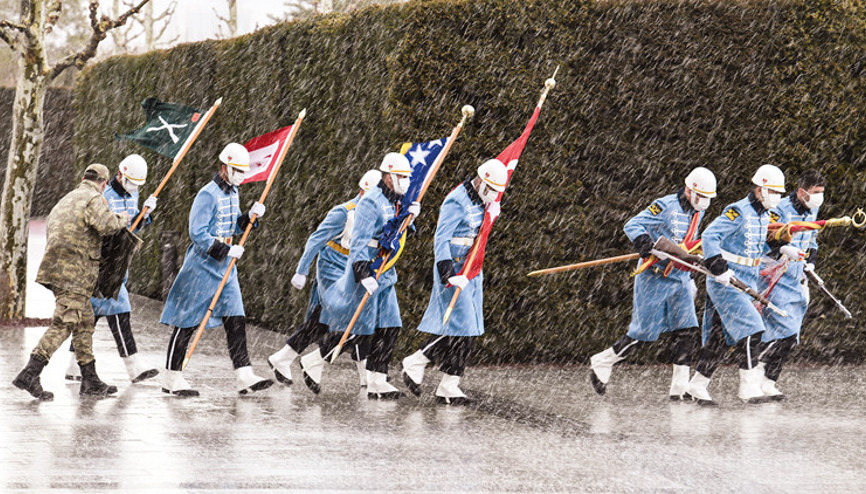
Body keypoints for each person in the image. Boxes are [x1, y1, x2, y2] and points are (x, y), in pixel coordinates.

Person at [588, 167, 717, 399]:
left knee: (687, 331)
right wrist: (645, 242)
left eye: (709, 198)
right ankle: (603, 361)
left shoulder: (698, 212)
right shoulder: (664, 205)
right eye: (702, 196)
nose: (705, 202)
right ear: (689, 191)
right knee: (644, 333)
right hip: (654, 277)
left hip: (679, 278)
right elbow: (632, 225)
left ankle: (679, 390)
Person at [159, 143, 273, 397]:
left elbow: (232, 227)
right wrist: (224, 249)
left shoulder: (233, 194)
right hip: (202, 266)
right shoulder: (208, 194)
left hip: (226, 268)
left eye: (243, 171)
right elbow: (197, 232)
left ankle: (244, 374)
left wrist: (250, 218)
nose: (240, 175)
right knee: (186, 321)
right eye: (236, 170)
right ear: (224, 167)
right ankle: (172, 376)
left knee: (236, 318)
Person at [302, 152, 419, 399]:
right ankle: (314, 360)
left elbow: (396, 229)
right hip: (369, 268)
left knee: (390, 326)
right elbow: (359, 241)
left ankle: (378, 380)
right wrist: (363, 272)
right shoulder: (371, 201)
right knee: (358, 329)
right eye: (400, 176)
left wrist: (411, 217)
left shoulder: (398, 201)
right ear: (387, 176)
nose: (405, 181)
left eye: (407, 176)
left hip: (386, 271)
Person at [12, 164, 130, 400]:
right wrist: (123, 218)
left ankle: (90, 379)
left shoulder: (65, 199)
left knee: (85, 321)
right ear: (104, 183)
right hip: (76, 273)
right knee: (65, 322)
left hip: (58, 271)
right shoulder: (93, 198)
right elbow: (106, 225)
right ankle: (30, 372)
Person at [686, 164, 795, 405]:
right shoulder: (738, 211)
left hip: (747, 280)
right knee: (753, 329)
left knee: (718, 338)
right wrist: (717, 265)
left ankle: (696, 385)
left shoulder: (763, 215)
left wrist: (781, 249)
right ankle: (748, 387)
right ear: (760, 190)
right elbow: (710, 236)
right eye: (773, 191)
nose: (777, 197)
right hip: (727, 281)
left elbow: (755, 246)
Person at [401, 159, 507, 405]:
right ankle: (415, 361)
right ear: (480, 180)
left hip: (471, 269)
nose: (491, 194)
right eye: (489, 188)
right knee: (460, 326)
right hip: (453, 268)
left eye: (496, 191)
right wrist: (448, 273)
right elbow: (441, 239)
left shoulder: (483, 201)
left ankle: (449, 384)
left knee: (468, 330)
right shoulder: (456, 200)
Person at [267, 169, 382, 388]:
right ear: (361, 191)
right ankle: (357, 373)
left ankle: (282, 358)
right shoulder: (343, 212)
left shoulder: (377, 214)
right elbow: (316, 239)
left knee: (322, 322)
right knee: (353, 316)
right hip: (333, 267)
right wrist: (302, 270)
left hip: (354, 268)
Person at [64, 154, 160, 384]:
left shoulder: (133, 193)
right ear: (120, 175)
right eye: (131, 182)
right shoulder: (104, 197)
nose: (134, 188)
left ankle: (74, 366)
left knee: (91, 317)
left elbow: (132, 226)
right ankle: (133, 366)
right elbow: (105, 227)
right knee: (119, 311)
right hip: (104, 264)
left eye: (138, 185)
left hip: (119, 263)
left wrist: (144, 215)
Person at [757, 170, 825, 400]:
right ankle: (756, 370)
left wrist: (811, 264)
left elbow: (812, 241)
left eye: (821, 193)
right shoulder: (780, 210)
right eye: (815, 193)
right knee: (782, 331)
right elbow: (764, 239)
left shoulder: (813, 210)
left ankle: (769, 380)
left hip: (796, 278)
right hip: (774, 276)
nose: (819, 198)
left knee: (791, 334)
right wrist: (783, 248)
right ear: (801, 192)